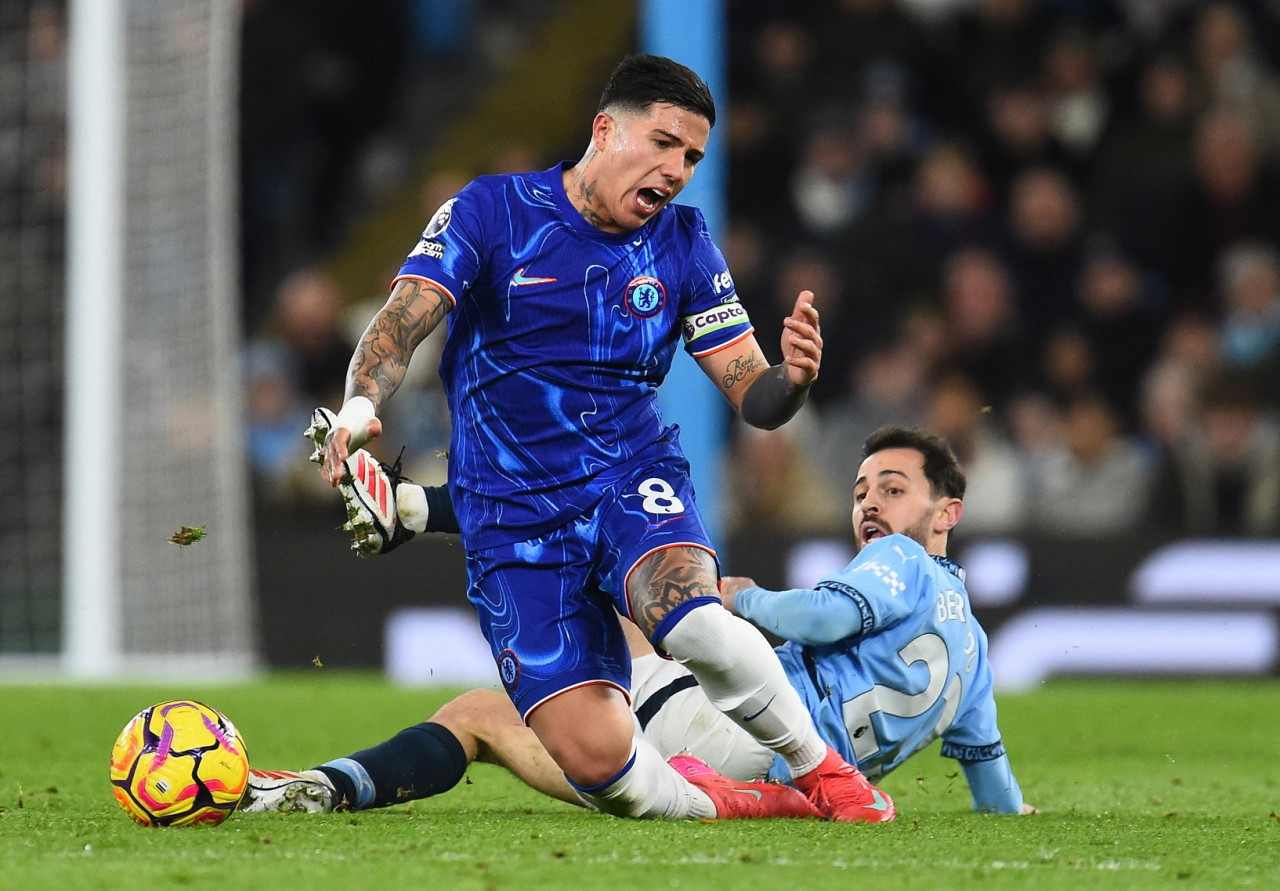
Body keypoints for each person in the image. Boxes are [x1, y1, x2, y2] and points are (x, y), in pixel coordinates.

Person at [304, 54, 891, 822]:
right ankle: (744, 801)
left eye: (690, 157)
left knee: (692, 618)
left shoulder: (682, 242)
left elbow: (756, 394)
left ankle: (829, 776)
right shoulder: (492, 211)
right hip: (512, 520)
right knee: (602, 766)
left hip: (627, 473)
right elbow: (400, 320)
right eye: (663, 143)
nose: (676, 170)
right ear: (605, 130)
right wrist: (356, 408)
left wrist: (796, 379)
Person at [243, 426, 1032, 816]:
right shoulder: (977, 656)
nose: (869, 504)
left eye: (892, 488)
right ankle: (327, 786)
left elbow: (827, 615)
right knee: (485, 715)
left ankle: (418, 509)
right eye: (861, 489)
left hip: (735, 733)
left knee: (596, 558)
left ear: (946, 512)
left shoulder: (901, 562)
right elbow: (992, 778)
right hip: (767, 780)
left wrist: (740, 600)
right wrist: (1015, 816)